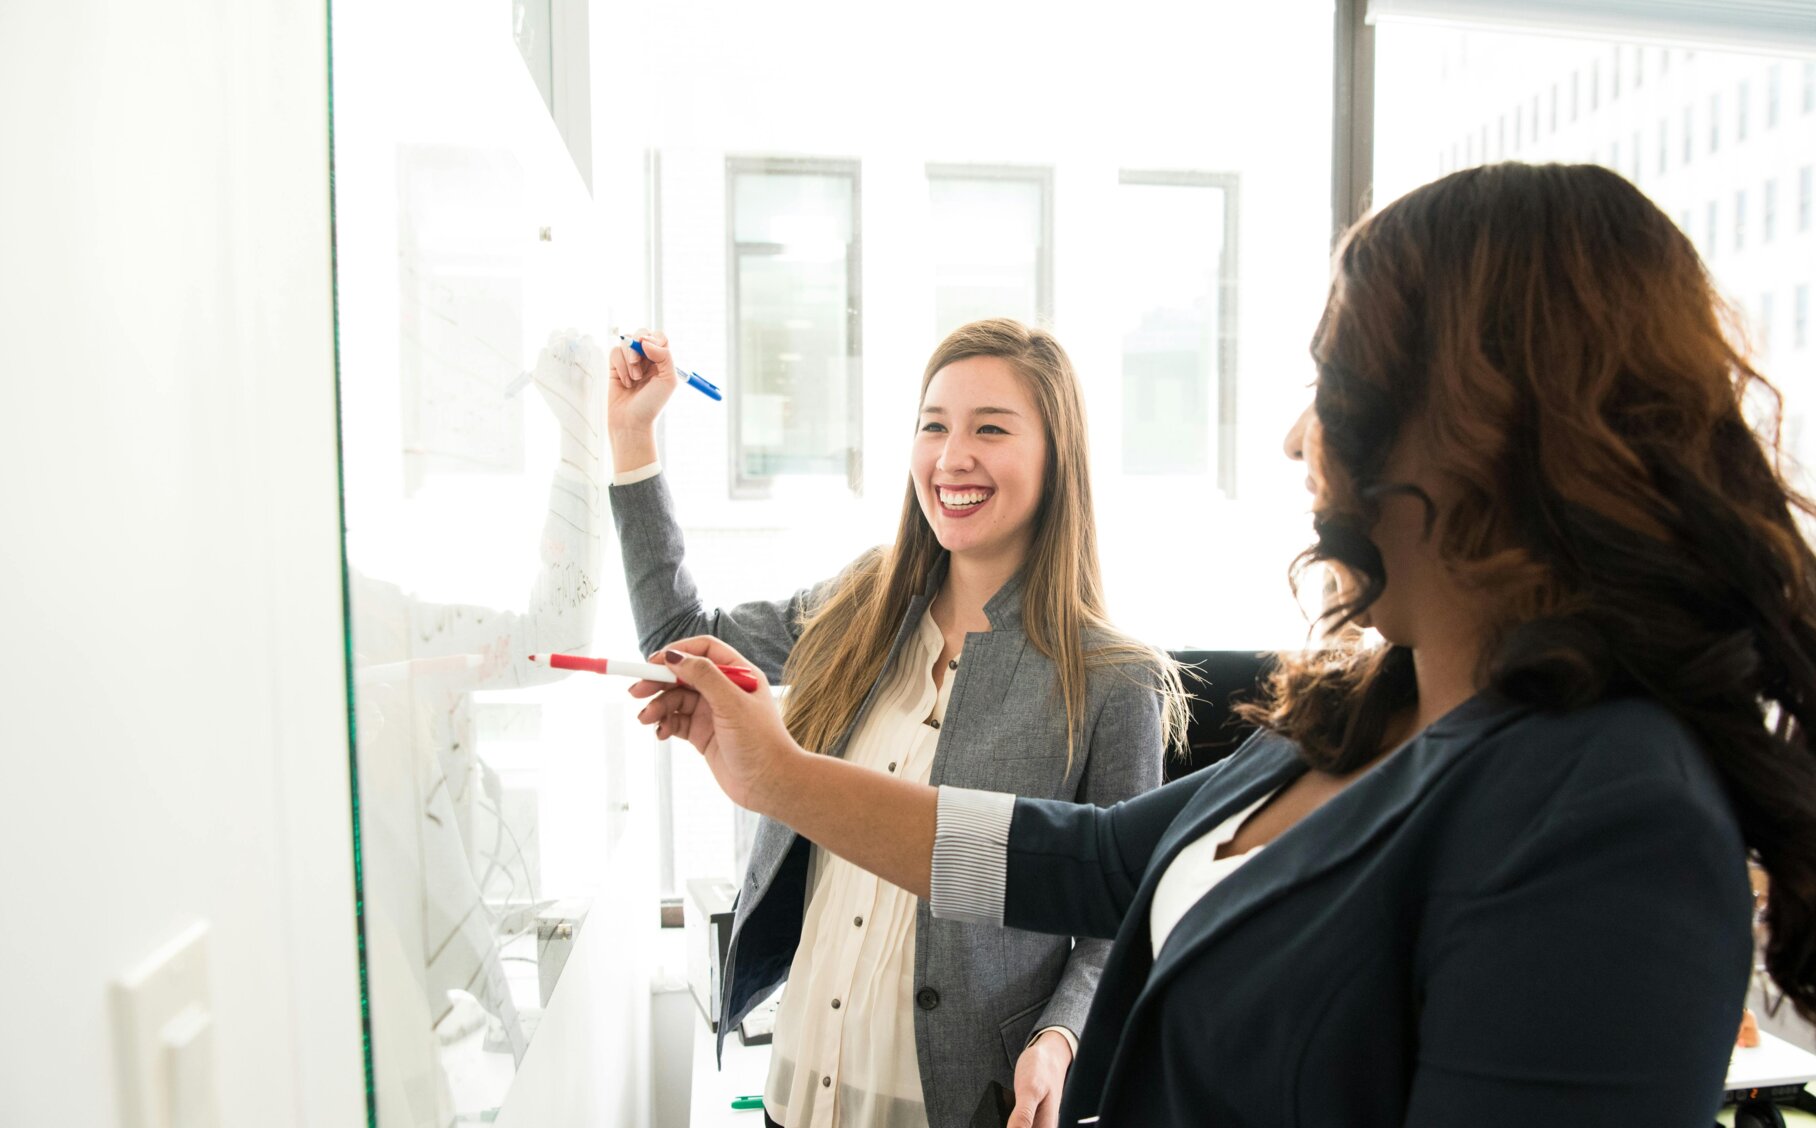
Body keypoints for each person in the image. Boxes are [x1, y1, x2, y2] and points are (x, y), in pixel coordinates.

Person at [628, 163, 1816, 1127]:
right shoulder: (1357, 713)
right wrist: (777, 778)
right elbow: (1090, 860)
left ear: (1481, 423)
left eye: (1333, 381)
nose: (1298, 436)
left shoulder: (1610, 816)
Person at [604, 319, 1189, 1128]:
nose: (952, 457)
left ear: (1058, 457)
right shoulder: (862, 605)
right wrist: (632, 436)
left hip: (955, 1102)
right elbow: (680, 638)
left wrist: (1061, 1037)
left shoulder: (1113, 679)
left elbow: (1121, 916)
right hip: (797, 1090)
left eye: (991, 429)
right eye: (933, 426)